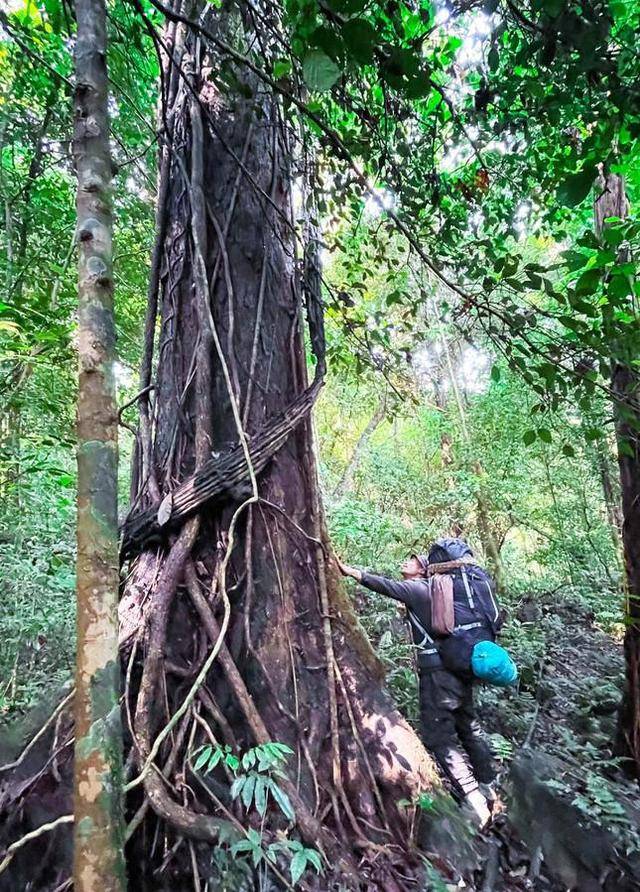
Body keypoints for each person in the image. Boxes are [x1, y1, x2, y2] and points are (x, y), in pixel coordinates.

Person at [336, 537, 499, 828]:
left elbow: (386, 586)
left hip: (438, 677)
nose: (406, 562)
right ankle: (488, 788)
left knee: (440, 739)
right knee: (468, 728)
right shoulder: (446, 593)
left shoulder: (420, 590)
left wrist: (350, 572)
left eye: (412, 560)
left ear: (424, 570)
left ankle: (474, 801)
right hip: (461, 668)